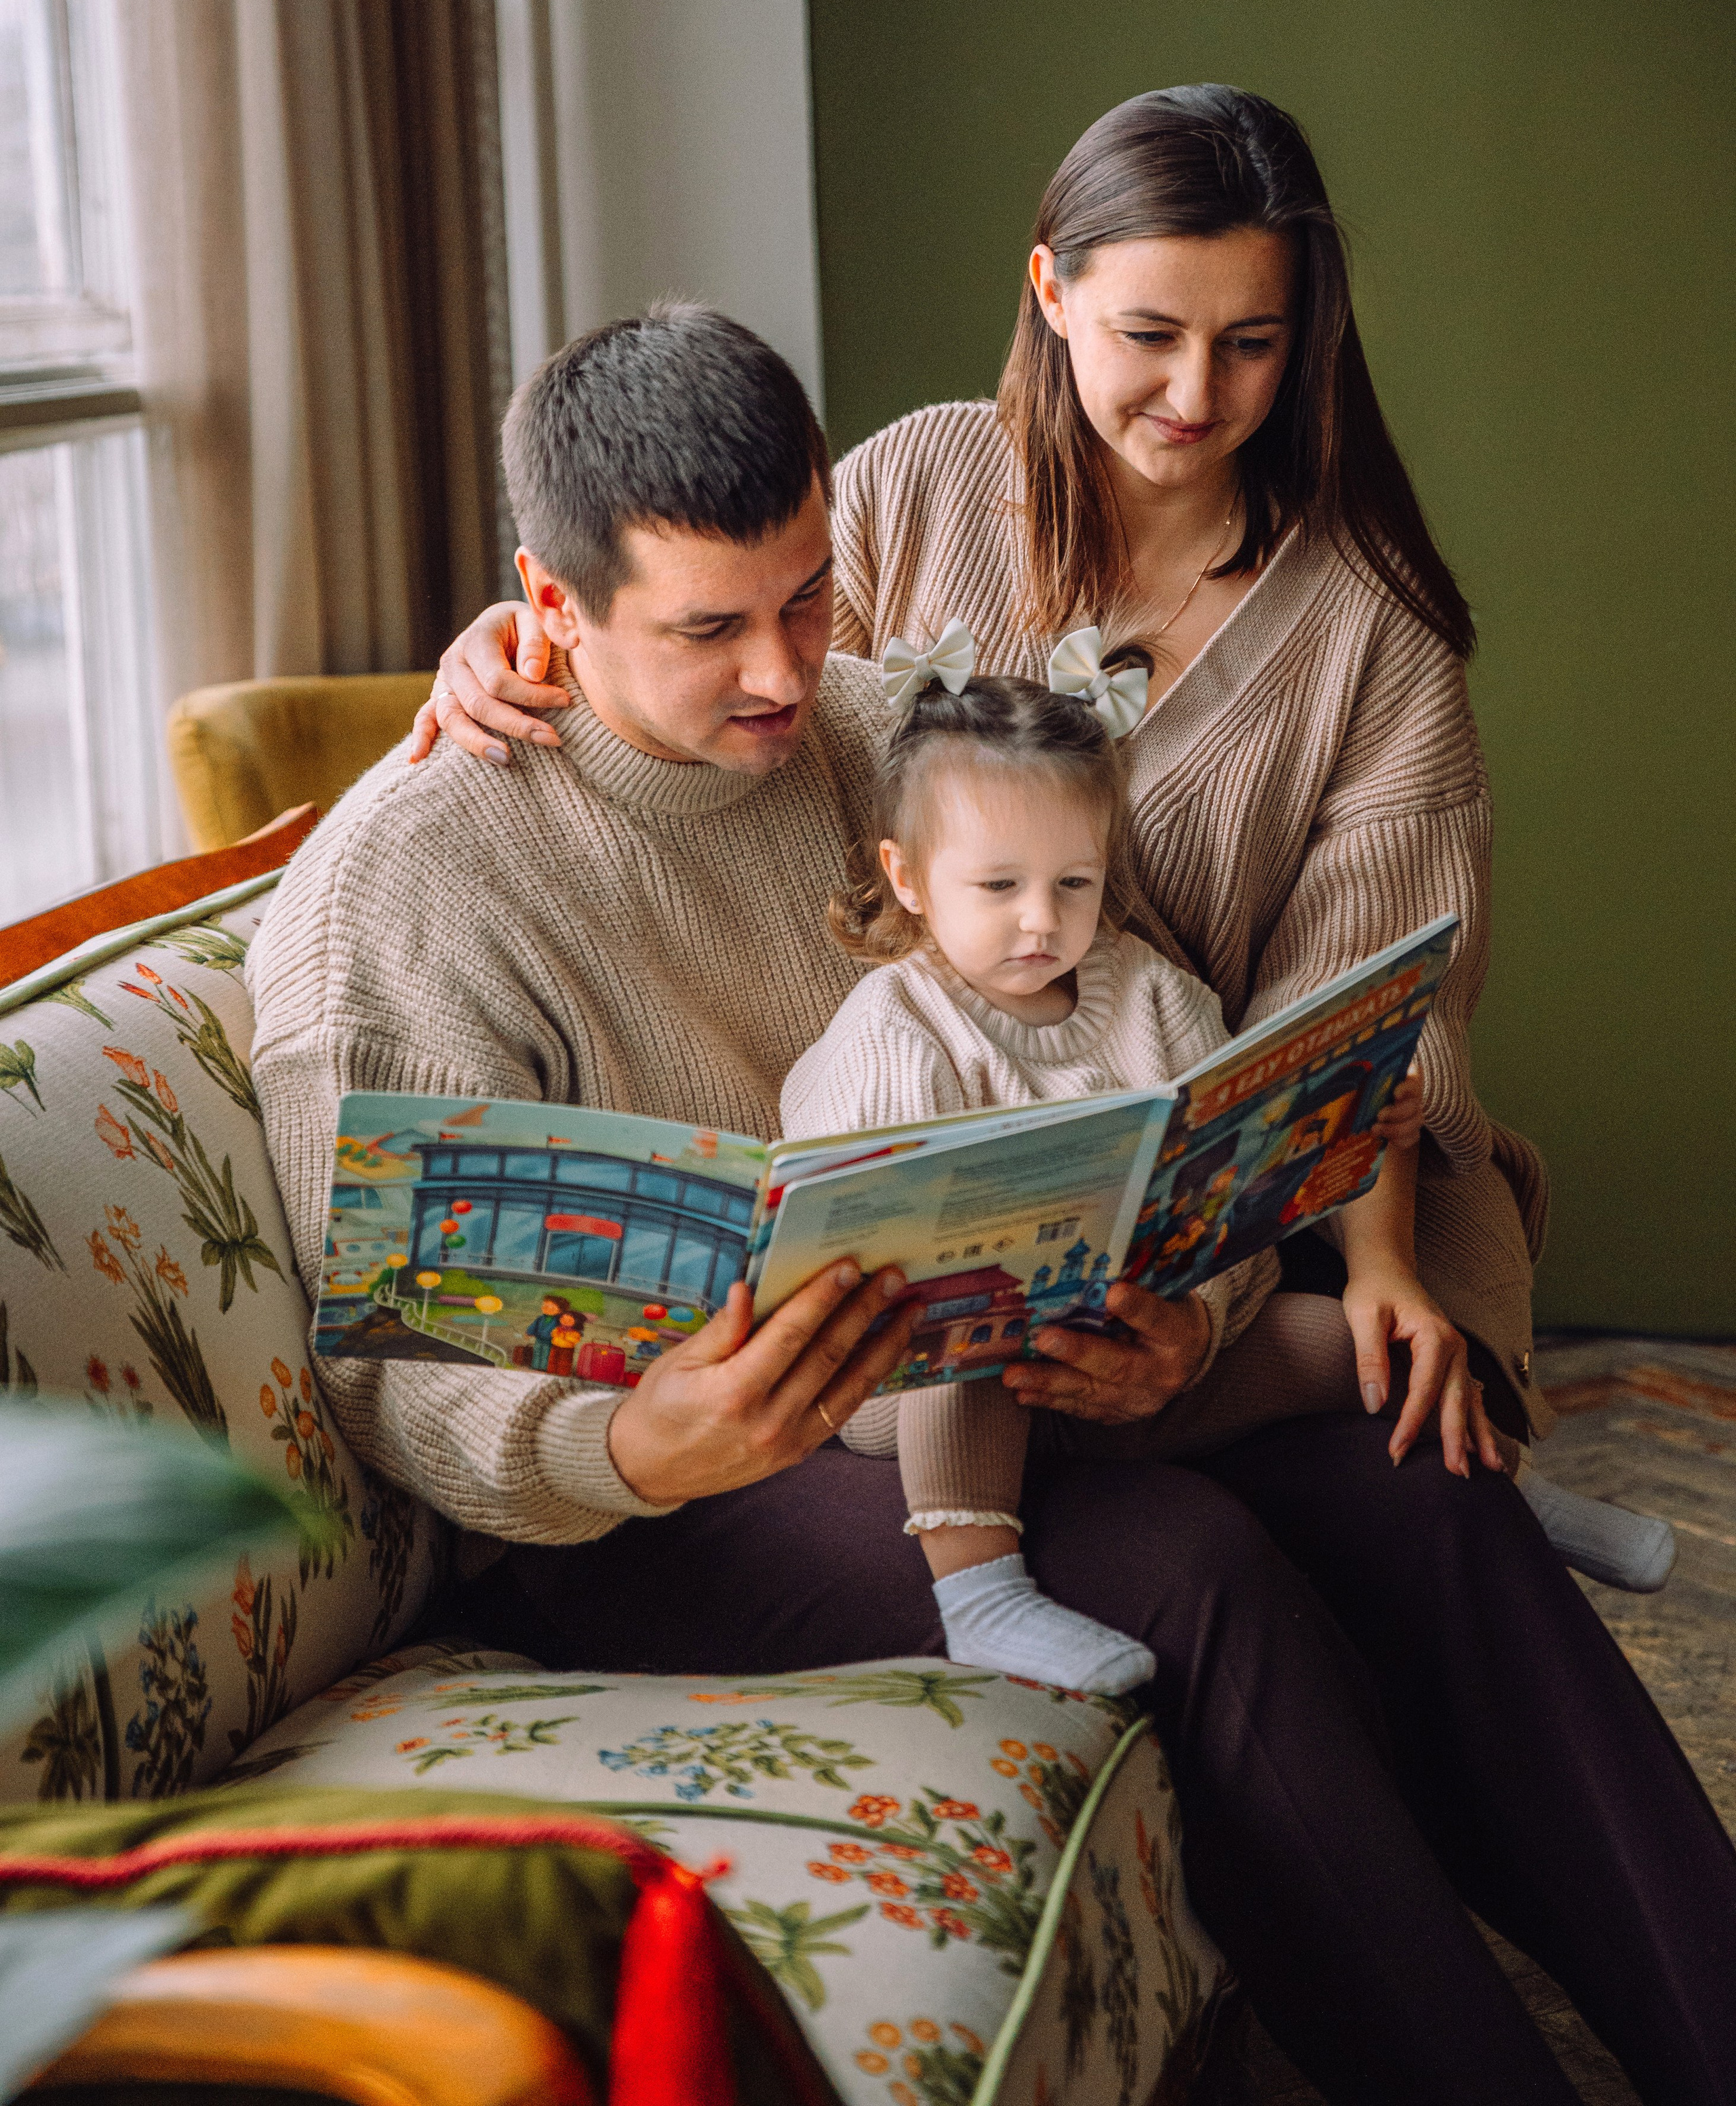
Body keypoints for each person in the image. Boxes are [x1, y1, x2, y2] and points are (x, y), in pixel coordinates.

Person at [254, 304, 1736, 2105]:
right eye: (710, 630)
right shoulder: (405, 891)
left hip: (995, 1372)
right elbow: (393, 1371)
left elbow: (1152, 1047)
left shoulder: (889, 729)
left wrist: (1193, 1308)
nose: (785, 674)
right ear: (547, 607)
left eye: (809, 593)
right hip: (657, 1495)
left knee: (1418, 1472)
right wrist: (644, 1442)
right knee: (1188, 1569)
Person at [420, 85, 1672, 1592]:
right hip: (950, 1146)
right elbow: (740, 667)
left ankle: (1504, 1506)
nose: (1195, 392)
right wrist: (526, 641)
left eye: (1251, 342)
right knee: (1195, 1520)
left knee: (1417, 1482)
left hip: (1276, 1199)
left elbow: (1358, 1031)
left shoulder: (1371, 632)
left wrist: (1299, 1279)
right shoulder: (917, 484)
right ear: (1050, 292)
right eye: (1148, 334)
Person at [783, 632, 1440, 1694]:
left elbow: (1236, 1201)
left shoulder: (1152, 996)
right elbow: (853, 1247)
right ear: (908, 879)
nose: (1043, 921)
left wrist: (1343, 1126)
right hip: (931, 1375)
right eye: (999, 885)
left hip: (1131, 1348)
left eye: (1075, 882)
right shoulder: (896, 1028)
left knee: (1337, 1337)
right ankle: (980, 1594)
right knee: (972, 1345)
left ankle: (1495, 1481)